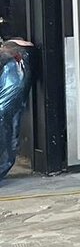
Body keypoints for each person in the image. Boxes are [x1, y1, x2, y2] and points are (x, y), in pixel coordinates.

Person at [0, 38, 34, 183]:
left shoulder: (16, 65)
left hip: (9, 110)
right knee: (8, 138)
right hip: (7, 110)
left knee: (8, 138)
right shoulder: (13, 66)